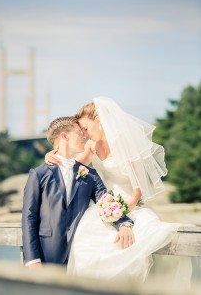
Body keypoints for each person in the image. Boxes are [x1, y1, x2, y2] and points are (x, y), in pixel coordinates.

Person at [45, 97, 192, 284]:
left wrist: (122, 215)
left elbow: (138, 190)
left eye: (86, 129)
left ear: (98, 121)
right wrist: (54, 154)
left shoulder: (124, 143)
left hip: (129, 205)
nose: (85, 134)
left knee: (129, 246)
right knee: (84, 244)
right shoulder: (92, 146)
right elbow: (72, 166)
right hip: (102, 205)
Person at [22, 116, 134, 268]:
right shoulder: (39, 174)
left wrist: (124, 224)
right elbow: (29, 217)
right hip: (47, 253)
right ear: (64, 136)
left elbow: (106, 202)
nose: (84, 136)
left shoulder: (90, 175)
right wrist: (32, 260)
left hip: (80, 255)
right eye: (79, 132)